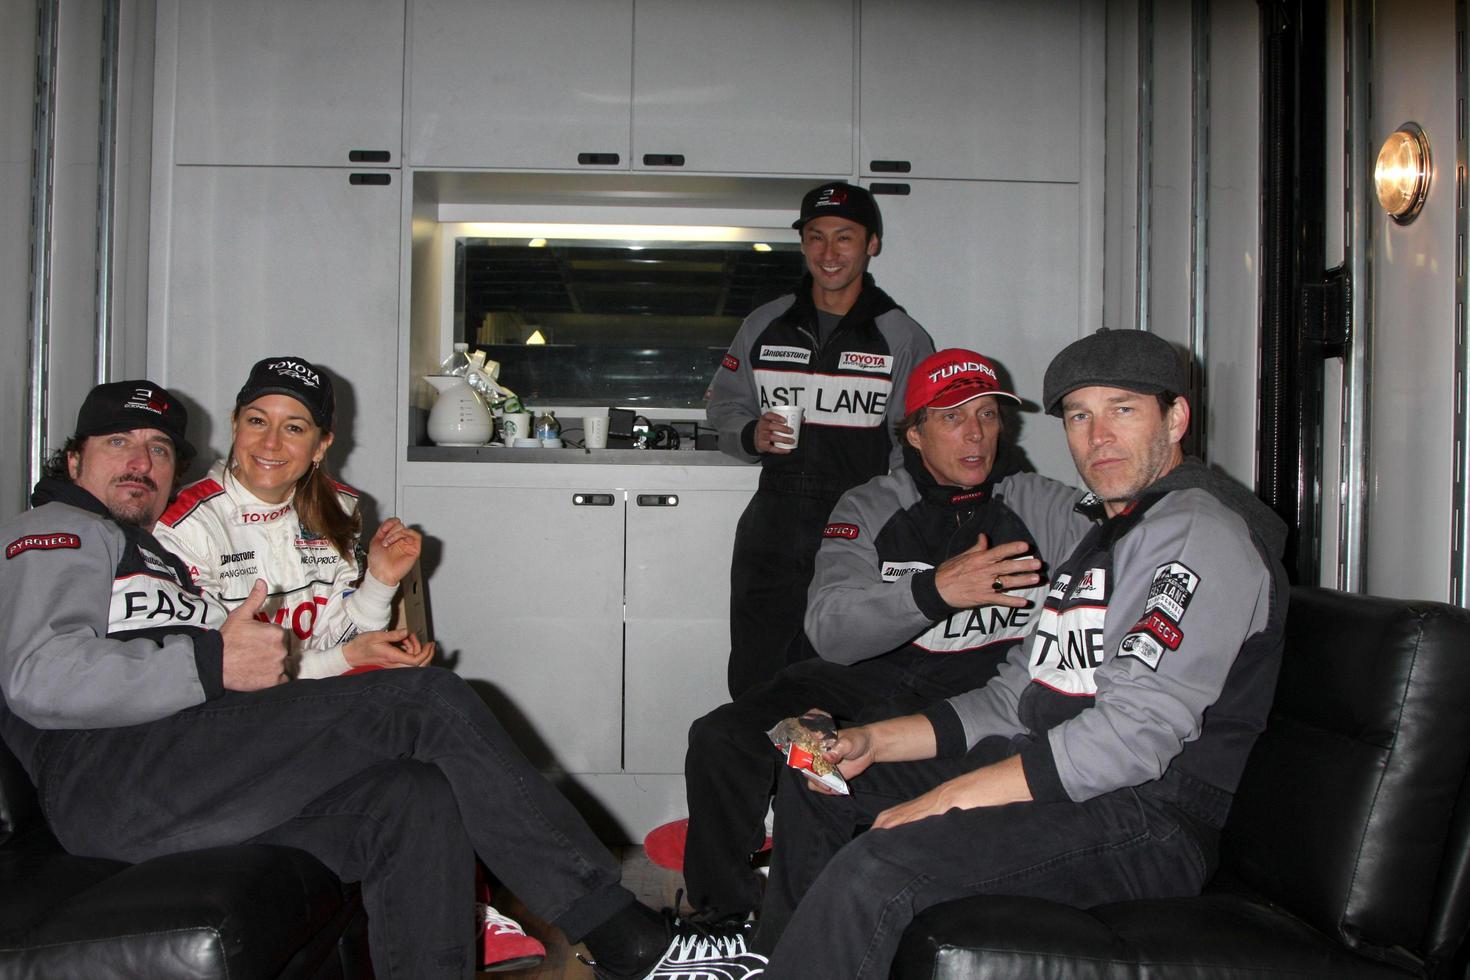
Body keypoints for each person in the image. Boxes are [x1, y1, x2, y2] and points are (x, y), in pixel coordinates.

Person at [0, 380, 766, 980]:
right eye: (118, 442)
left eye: (159, 449)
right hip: (114, 777)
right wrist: (210, 661)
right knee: (422, 701)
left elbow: (232, 681)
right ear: (74, 460)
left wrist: (297, 653)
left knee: (413, 796)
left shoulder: (158, 556)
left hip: (180, 772)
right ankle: (624, 936)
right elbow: (39, 678)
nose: (141, 461)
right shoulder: (60, 530)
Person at [746, 328, 1290, 979]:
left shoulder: (1198, 532)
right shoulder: (1110, 535)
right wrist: (873, 743)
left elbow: (1132, 739)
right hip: (1054, 771)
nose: (1099, 437)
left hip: (1147, 813)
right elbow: (1014, 696)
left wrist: (948, 800)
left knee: (883, 864)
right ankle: (774, 961)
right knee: (823, 784)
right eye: (1080, 416)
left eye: (1123, 409)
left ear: (1175, 418)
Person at [152, 355, 541, 971]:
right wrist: (345, 662)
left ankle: (466, 905)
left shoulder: (339, 508)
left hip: (303, 706)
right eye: (257, 420)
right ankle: (488, 902)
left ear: (321, 444)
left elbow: (337, 633)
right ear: (233, 425)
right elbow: (221, 676)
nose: (271, 442)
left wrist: (379, 589)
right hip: (230, 726)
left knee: (422, 741)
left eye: (295, 426)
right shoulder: (185, 526)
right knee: (427, 709)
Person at [679, 349, 1091, 926]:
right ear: (916, 434)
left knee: (821, 770)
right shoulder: (869, 504)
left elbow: (1133, 533)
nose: (975, 434)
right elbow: (832, 632)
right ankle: (724, 919)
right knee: (724, 737)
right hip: (852, 683)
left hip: (964, 698)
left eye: (988, 415)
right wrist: (934, 592)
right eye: (951, 417)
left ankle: (816, 926)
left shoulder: (1040, 503)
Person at [706, 181, 935, 699]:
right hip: (774, 517)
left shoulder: (901, 336)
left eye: (844, 237)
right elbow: (723, 406)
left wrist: (907, 520)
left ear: (871, 243)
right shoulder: (765, 323)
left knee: (840, 667)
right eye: (816, 237)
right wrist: (749, 433)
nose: (829, 253)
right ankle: (758, 773)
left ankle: (819, 777)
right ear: (803, 242)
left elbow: (918, 441)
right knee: (755, 668)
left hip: (857, 519)